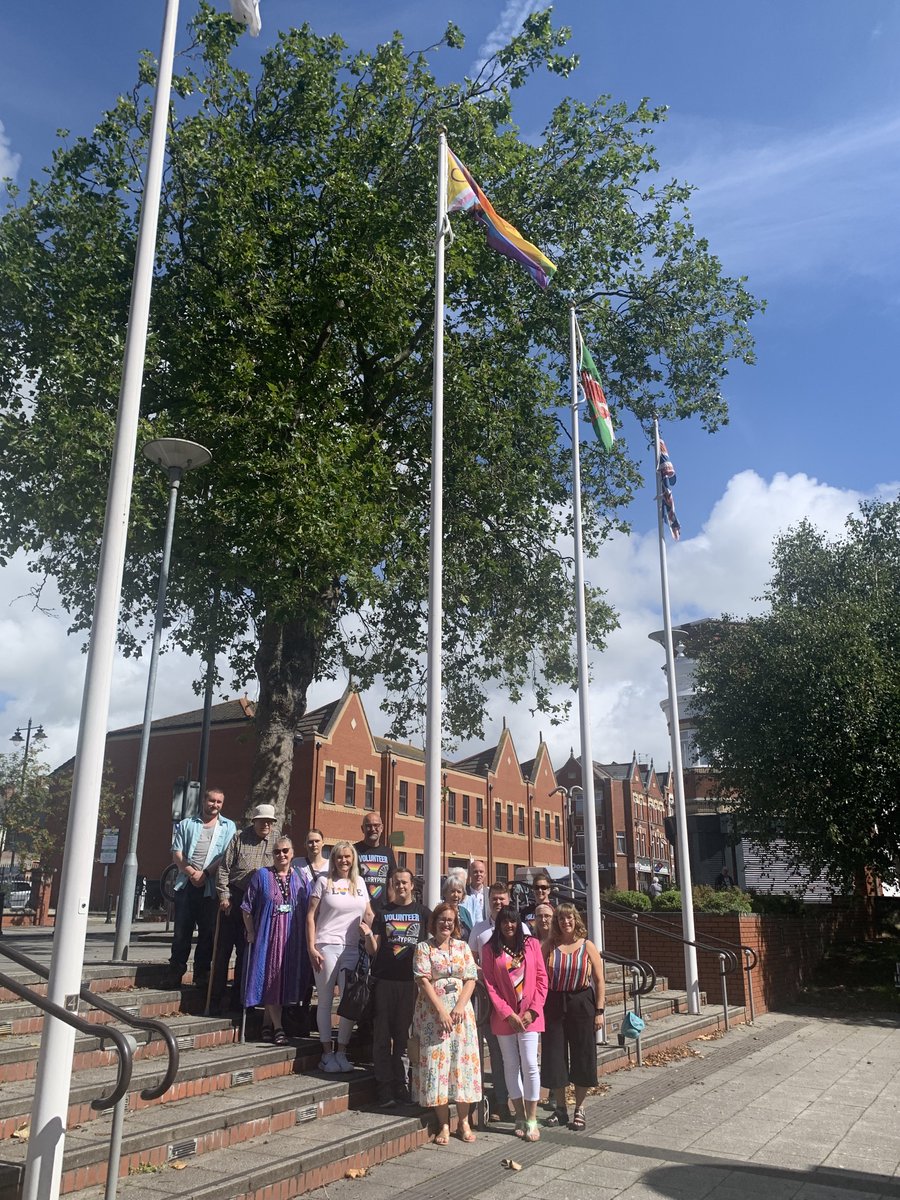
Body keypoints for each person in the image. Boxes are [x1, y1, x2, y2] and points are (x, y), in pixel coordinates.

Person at [412, 902, 481, 1145]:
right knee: (437, 1066)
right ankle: (442, 1123)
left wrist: (460, 1006)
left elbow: (471, 978)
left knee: (462, 1065)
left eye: (450, 920)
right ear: (434, 922)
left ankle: (463, 1121)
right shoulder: (424, 948)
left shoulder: (463, 947)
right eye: (442, 919)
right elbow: (422, 980)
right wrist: (441, 1011)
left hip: (462, 1017)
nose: (446, 924)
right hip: (434, 1016)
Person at [361, 867, 431, 1107]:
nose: (401, 886)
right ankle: (385, 1087)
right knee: (382, 1036)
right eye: (396, 883)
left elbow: (437, 943)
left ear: (412, 885)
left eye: (404, 883)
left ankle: (401, 1084)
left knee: (404, 1037)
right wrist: (368, 935)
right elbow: (374, 949)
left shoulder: (423, 913)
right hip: (384, 982)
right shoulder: (383, 913)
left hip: (411, 984)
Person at [481, 904, 548, 1142]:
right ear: (498, 925)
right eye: (504, 922)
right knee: (510, 1065)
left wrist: (533, 1010)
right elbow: (490, 985)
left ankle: (532, 1117)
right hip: (504, 1017)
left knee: (530, 1063)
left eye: (512, 921)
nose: (508, 926)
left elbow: (542, 979)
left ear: (518, 923)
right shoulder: (490, 949)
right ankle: (518, 1115)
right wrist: (507, 1013)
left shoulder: (531, 945)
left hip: (529, 1015)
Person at [306, 840, 373, 1072]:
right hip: (325, 946)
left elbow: (369, 913)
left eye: (348, 857)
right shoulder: (323, 881)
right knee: (325, 1001)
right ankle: (327, 1053)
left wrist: (379, 930)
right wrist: (311, 948)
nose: (344, 861)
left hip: (352, 948)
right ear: (333, 859)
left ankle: (342, 1051)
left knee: (349, 1003)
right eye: (339, 857)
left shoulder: (360, 883)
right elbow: (310, 916)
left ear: (353, 859)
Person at [540, 902, 605, 1132]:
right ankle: (560, 1108)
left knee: (582, 1055)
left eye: (569, 918)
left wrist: (599, 1011)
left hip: (581, 1003)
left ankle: (580, 1107)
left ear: (576, 920)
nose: (565, 922)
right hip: (555, 1003)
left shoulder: (587, 946)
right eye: (560, 919)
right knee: (555, 1056)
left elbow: (599, 980)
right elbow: (537, 973)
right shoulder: (549, 945)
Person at [241, 836, 311, 1044]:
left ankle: (266, 1025)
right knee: (270, 980)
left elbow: (308, 907)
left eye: (285, 851)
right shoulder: (262, 875)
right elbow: (246, 907)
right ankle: (278, 1028)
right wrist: (251, 931)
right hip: (268, 937)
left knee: (281, 982)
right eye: (277, 851)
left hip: (291, 938)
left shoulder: (300, 877)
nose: (281, 855)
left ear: (292, 853)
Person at [210, 803, 279, 1014]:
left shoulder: (276, 841)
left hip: (258, 903)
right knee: (223, 951)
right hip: (235, 896)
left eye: (270, 821)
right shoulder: (239, 838)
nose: (266, 824)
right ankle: (215, 998)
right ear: (254, 821)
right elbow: (223, 869)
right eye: (263, 821)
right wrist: (224, 896)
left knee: (246, 952)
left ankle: (238, 1000)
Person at [168, 788, 236, 989]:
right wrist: (191, 872)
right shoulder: (187, 824)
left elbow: (225, 856)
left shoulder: (228, 826)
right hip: (186, 885)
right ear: (204, 801)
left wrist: (205, 874)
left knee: (207, 933)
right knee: (181, 932)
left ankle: (201, 974)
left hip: (211, 887)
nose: (215, 805)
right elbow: (176, 853)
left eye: (219, 802)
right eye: (212, 801)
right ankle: (175, 973)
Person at [468, 882, 519, 1122]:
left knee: (514, 1053)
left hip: (513, 1001)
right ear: (489, 901)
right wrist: (485, 972)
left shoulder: (520, 929)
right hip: (488, 1001)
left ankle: (517, 1100)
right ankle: (501, 1102)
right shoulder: (479, 930)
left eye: (502, 899)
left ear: (508, 900)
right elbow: (470, 961)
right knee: (496, 1052)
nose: (498, 903)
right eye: (494, 899)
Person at [353, 815, 397, 909]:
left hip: (382, 910)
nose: (373, 829)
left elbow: (391, 884)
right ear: (362, 828)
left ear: (382, 828)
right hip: (359, 908)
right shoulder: (353, 850)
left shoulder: (388, 852)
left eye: (376, 825)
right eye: (369, 826)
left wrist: (392, 910)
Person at [442, 868, 473, 935]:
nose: (456, 895)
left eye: (459, 892)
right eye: (452, 891)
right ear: (445, 892)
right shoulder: (439, 911)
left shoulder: (465, 913)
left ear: (463, 895)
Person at [459, 859, 487, 928]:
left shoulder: (490, 894)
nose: (478, 874)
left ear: (485, 874)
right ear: (470, 874)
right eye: (475, 872)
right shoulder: (462, 893)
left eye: (481, 872)